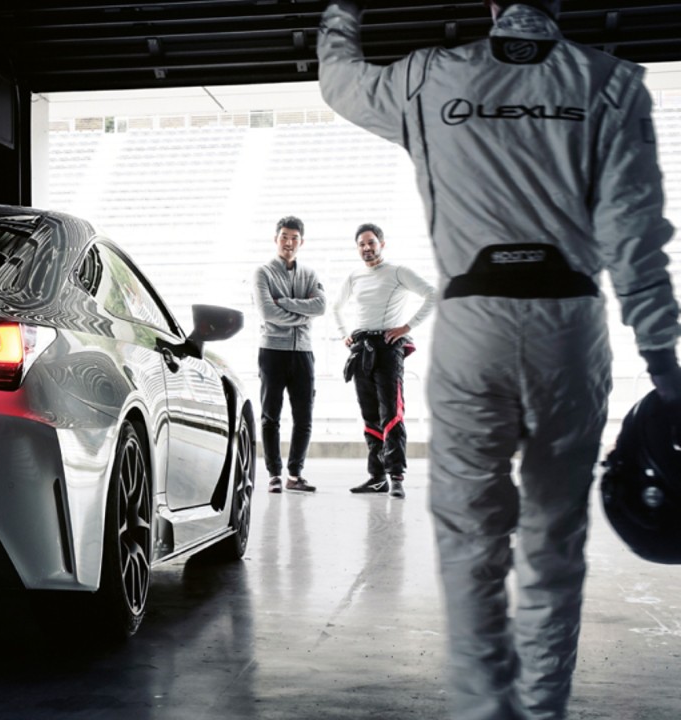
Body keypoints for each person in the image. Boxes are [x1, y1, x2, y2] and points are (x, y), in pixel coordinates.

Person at [317, 1, 681, 718]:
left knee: (471, 540)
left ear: (489, 5)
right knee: (553, 543)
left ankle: (487, 712)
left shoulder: (432, 75)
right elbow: (637, 239)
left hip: (473, 320)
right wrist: (665, 366)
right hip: (569, 327)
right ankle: (542, 712)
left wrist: (341, 13)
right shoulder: (610, 83)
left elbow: (340, 82)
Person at [333, 223, 436, 499]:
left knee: (391, 412)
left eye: (371, 242)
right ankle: (377, 477)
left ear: (382, 243)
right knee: (369, 413)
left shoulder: (398, 272)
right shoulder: (354, 277)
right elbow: (336, 307)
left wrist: (407, 327)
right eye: (361, 244)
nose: (366, 248)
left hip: (389, 348)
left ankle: (397, 476)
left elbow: (432, 294)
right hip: (361, 349)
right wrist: (345, 335)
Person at [253, 216, 326, 494]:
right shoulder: (263, 273)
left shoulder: (310, 274)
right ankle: (274, 474)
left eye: (294, 238)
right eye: (284, 236)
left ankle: (295, 475)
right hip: (272, 350)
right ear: (276, 239)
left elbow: (319, 306)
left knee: (304, 416)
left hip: (303, 353)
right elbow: (266, 313)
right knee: (270, 415)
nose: (289, 242)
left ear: (301, 242)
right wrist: (302, 314)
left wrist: (284, 303)